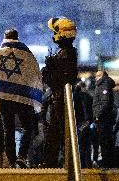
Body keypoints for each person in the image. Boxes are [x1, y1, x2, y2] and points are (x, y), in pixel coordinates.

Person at [0, 29, 43, 168]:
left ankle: (12, 160)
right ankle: (21, 156)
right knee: (28, 128)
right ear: (17, 37)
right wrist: (34, 96)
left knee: (8, 130)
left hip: (5, 97)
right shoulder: (27, 54)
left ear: (5, 37)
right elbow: (35, 74)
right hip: (23, 97)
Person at [41, 17, 78, 168]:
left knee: (56, 134)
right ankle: (51, 163)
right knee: (55, 133)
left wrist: (48, 70)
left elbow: (57, 81)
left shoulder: (65, 55)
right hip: (59, 99)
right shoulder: (68, 52)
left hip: (60, 100)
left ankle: (54, 164)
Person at [92, 70, 115, 168]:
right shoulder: (105, 85)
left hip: (102, 119)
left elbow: (105, 103)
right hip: (105, 119)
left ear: (101, 76)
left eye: (97, 76)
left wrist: (98, 115)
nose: (95, 78)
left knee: (104, 141)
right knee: (106, 141)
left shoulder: (103, 86)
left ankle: (105, 163)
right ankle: (107, 163)